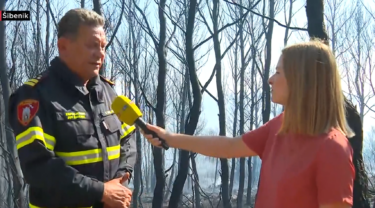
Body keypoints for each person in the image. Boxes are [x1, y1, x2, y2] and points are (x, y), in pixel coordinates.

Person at [141, 40, 355, 208]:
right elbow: (229, 147)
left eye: (279, 72)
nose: (270, 79)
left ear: (302, 80)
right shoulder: (279, 127)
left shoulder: (332, 148)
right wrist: (169, 137)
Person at [8, 8, 136, 208]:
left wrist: (119, 180)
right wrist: (102, 191)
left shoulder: (108, 92)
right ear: (64, 46)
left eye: (103, 46)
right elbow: (38, 166)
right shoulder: (35, 96)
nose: (101, 54)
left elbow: (127, 137)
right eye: (92, 46)